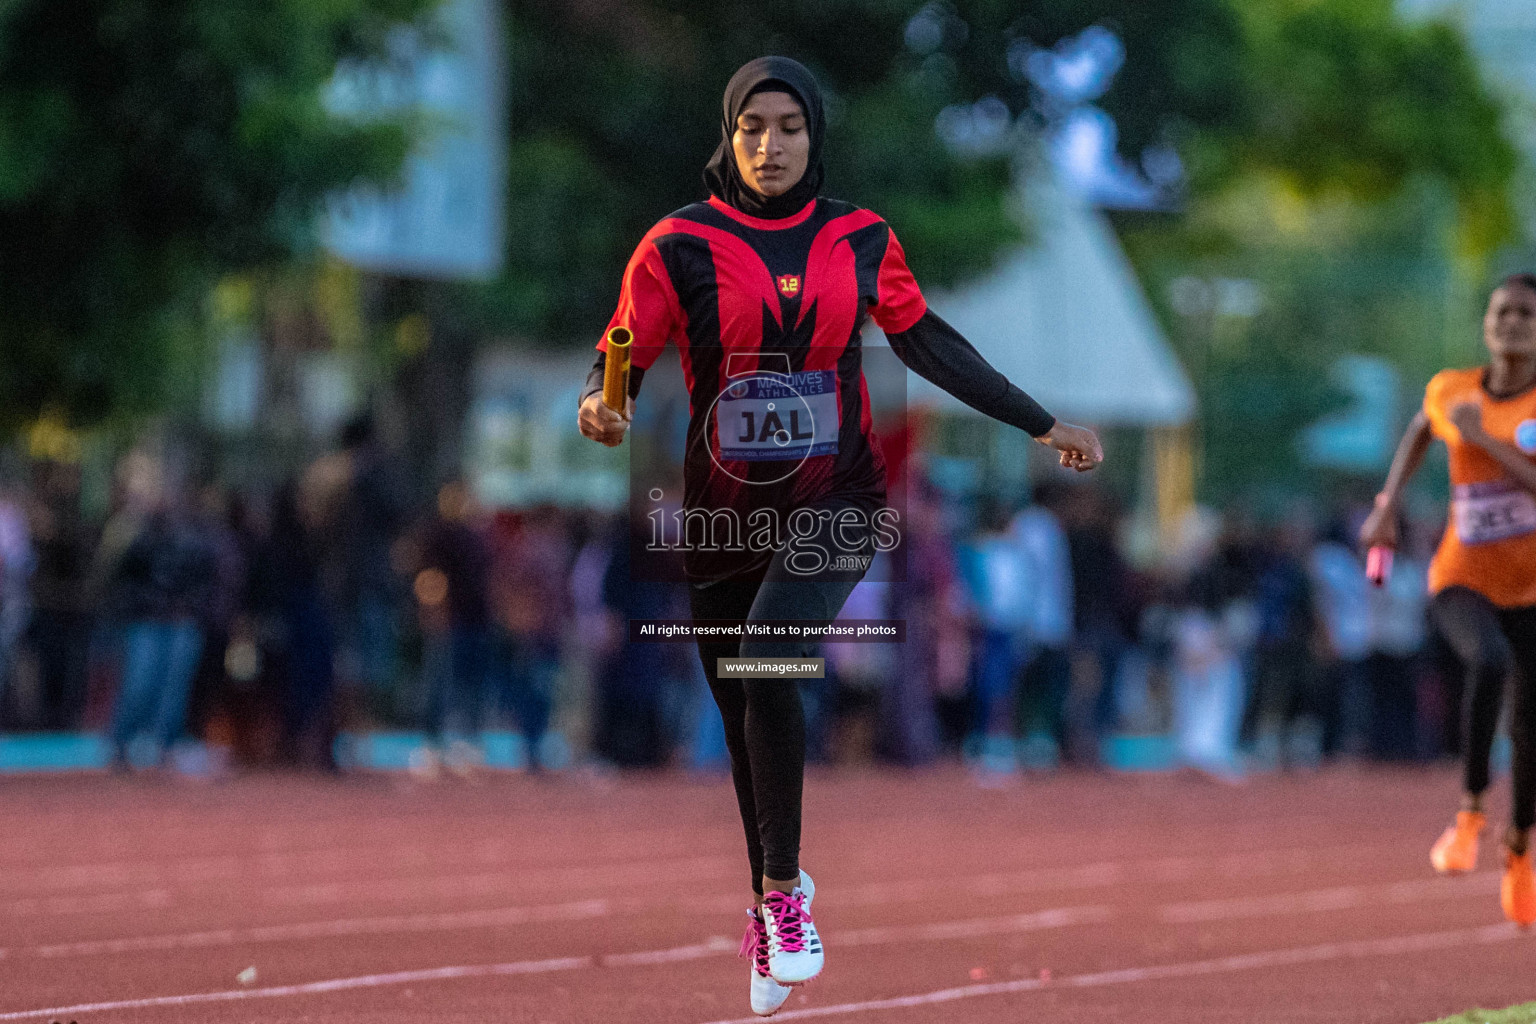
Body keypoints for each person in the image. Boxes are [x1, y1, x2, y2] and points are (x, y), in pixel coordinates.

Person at [575, 56, 1102, 1015]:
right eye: (752, 128)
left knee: (771, 658)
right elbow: (623, 348)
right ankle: (777, 895)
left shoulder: (860, 238)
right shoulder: (675, 245)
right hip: (724, 512)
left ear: (816, 137)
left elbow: (928, 340)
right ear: (728, 137)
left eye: (789, 127)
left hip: (840, 498)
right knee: (742, 709)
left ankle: (781, 898)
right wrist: (602, 406)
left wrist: (1040, 421)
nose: (769, 146)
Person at [1360, 272, 1536, 927]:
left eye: (1524, 314)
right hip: (1462, 574)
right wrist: (1386, 507)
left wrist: (1483, 439)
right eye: (1501, 312)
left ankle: (1519, 850)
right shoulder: (1451, 389)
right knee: (1486, 661)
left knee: (1529, 731)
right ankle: (1468, 813)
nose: (1510, 324)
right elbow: (1419, 432)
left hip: (1532, 587)